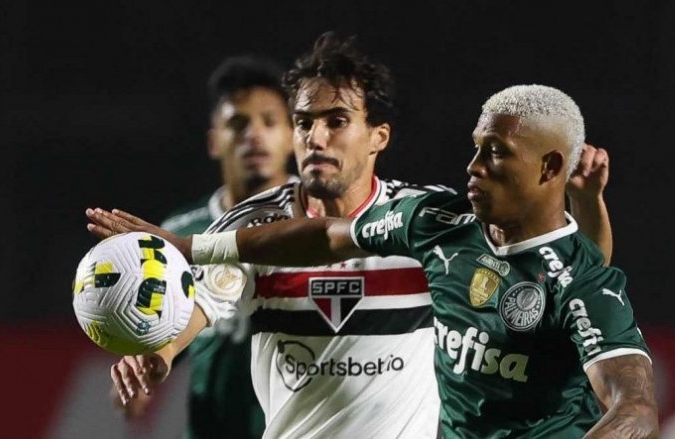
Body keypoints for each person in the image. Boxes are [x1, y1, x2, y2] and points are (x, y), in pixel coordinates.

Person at [88, 41, 622, 437]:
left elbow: (573, 274)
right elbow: (201, 304)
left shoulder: (427, 222)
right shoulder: (253, 230)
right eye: (303, 122)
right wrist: (158, 353)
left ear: (378, 136)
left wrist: (586, 202)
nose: (315, 137)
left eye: (336, 120)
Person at [113, 55, 295, 439]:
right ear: (215, 141)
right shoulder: (180, 232)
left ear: (293, 136)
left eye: (269, 121)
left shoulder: (318, 225)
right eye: (238, 123)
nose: (254, 135)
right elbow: (157, 335)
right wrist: (137, 375)